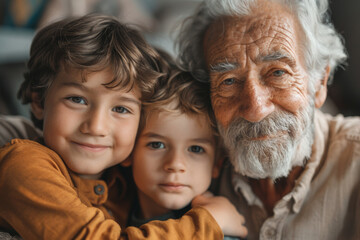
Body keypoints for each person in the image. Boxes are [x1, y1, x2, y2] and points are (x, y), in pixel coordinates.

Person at [0, 14, 239, 240]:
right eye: (77, 99)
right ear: (39, 101)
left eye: (121, 109)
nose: (96, 127)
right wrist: (208, 222)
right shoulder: (23, 166)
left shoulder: (121, 180)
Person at [177, 0, 360, 239]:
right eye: (229, 81)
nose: (255, 108)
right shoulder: (189, 165)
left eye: (277, 72)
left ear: (319, 82)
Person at [126, 69, 247, 239]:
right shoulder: (109, 210)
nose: (175, 164)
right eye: (157, 145)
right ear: (129, 152)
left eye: (196, 149)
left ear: (216, 164)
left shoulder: (219, 232)